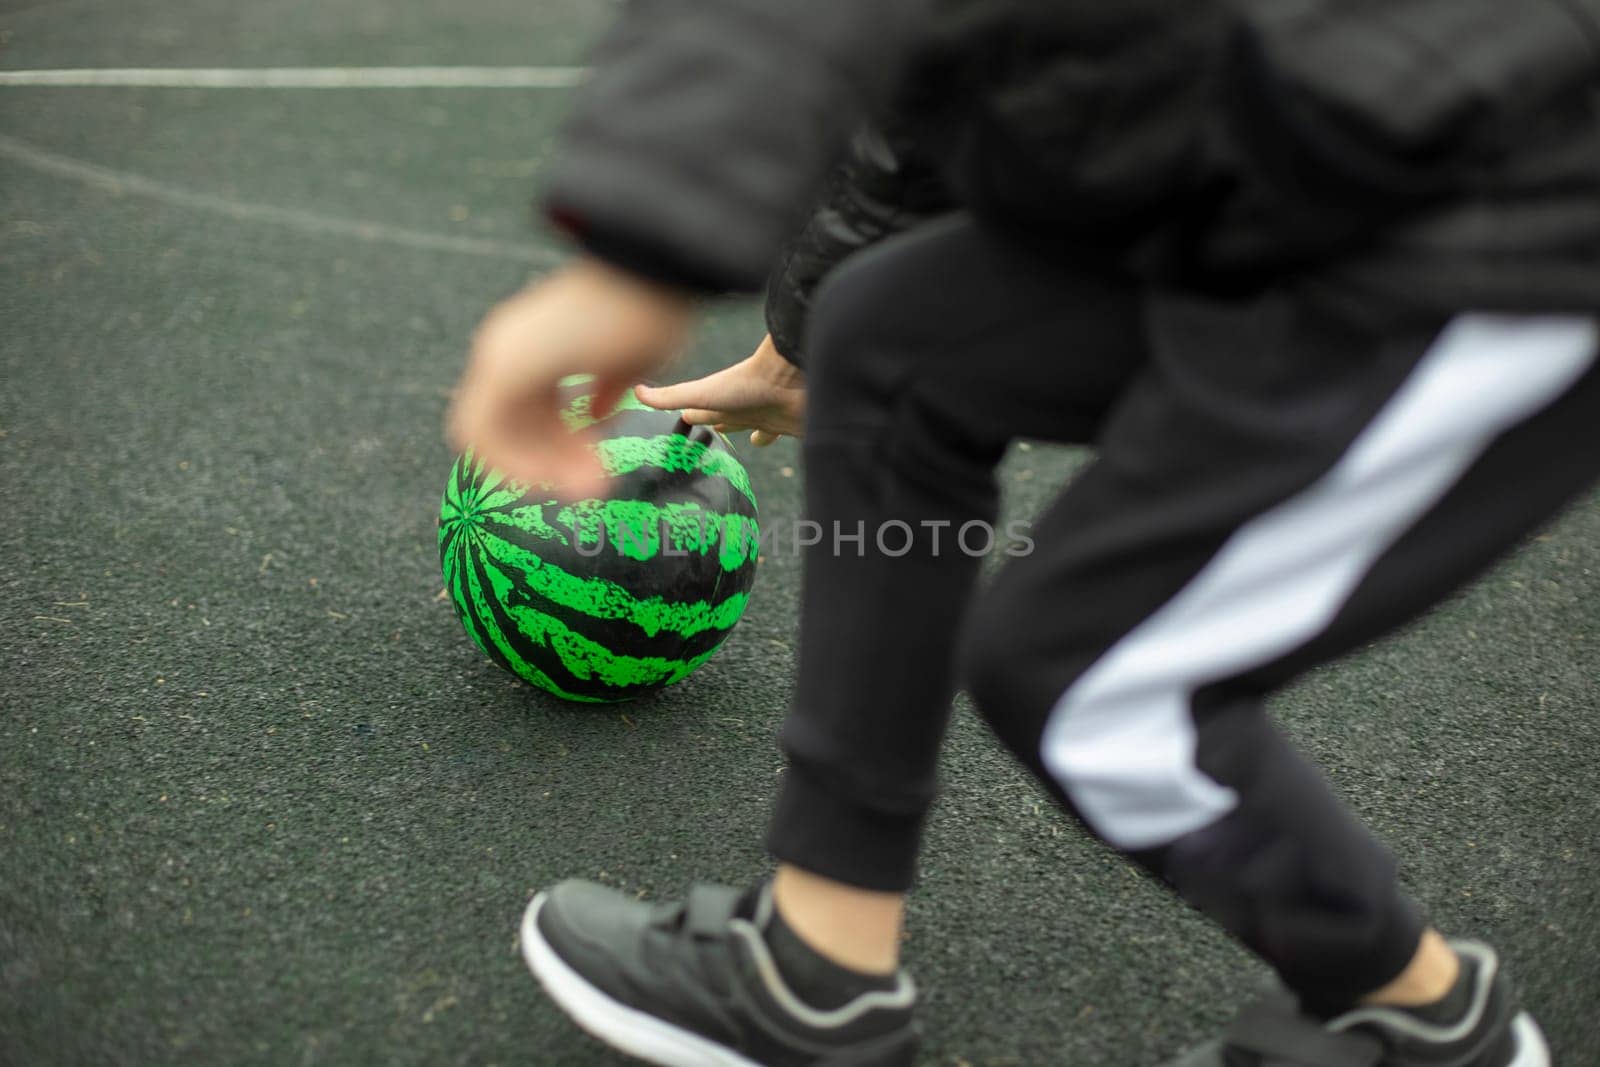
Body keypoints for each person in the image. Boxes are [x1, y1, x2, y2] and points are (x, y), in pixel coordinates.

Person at [447, 1, 1600, 1064]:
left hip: (1483, 231)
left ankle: (1420, 1012)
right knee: (890, 343)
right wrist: (801, 345)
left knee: (1082, 675)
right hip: (1286, 171)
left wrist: (637, 256)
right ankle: (817, 964)